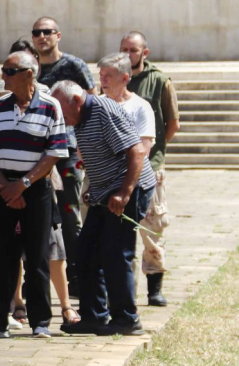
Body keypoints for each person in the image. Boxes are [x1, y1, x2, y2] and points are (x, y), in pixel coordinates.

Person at [0, 51, 69, 339]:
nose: (3, 75)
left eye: (10, 70)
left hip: (36, 189)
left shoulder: (52, 107)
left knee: (38, 256)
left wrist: (24, 184)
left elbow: (54, 152)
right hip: (3, 188)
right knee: (0, 256)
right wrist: (7, 186)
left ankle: (40, 322)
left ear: (29, 74)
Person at [51, 81, 156, 336]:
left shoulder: (102, 110)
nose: (63, 119)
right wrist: (94, 188)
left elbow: (136, 151)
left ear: (77, 100)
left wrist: (125, 193)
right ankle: (94, 316)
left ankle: (127, 319)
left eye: (63, 113)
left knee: (115, 253)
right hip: (104, 191)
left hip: (129, 189)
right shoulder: (82, 117)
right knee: (86, 251)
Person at [33, 17, 94, 298]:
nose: (42, 36)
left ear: (58, 35)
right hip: (36, 150)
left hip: (67, 150)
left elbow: (92, 103)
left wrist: (86, 146)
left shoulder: (74, 66)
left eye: (47, 32)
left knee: (70, 215)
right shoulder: (29, 67)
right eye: (37, 33)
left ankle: (79, 278)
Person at [122, 32, 180, 306]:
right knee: (120, 232)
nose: (127, 54)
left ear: (144, 52)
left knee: (152, 228)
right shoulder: (115, 78)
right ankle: (124, 290)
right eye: (123, 49)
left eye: (132, 50)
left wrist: (153, 154)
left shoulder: (159, 81)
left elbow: (172, 123)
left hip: (150, 167)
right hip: (119, 167)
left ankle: (154, 286)